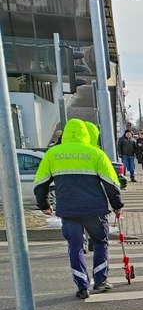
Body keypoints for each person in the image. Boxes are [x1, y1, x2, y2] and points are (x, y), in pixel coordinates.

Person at [34, 118, 124, 300]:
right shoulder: (95, 153)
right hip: (94, 211)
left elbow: (40, 183)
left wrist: (44, 204)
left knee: (74, 247)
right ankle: (100, 280)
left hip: (68, 211)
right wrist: (117, 205)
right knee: (100, 243)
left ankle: (82, 287)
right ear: (85, 133)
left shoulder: (53, 154)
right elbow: (111, 183)